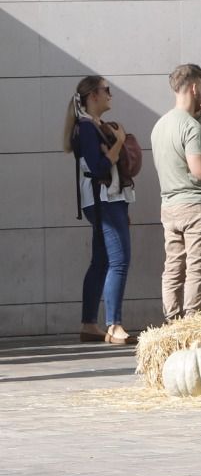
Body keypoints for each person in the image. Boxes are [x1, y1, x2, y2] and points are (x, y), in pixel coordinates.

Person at [63, 76, 136, 345]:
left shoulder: (90, 126)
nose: (110, 95)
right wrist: (119, 141)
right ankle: (114, 325)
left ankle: (89, 324)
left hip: (102, 200)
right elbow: (99, 167)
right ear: (93, 95)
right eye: (107, 90)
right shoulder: (86, 128)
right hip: (103, 199)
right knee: (119, 260)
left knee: (101, 262)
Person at [150, 64, 201, 321]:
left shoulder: (160, 125)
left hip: (169, 207)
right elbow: (200, 171)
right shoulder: (191, 127)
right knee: (196, 270)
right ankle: (192, 322)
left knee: (172, 269)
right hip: (196, 206)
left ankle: (172, 322)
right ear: (195, 88)